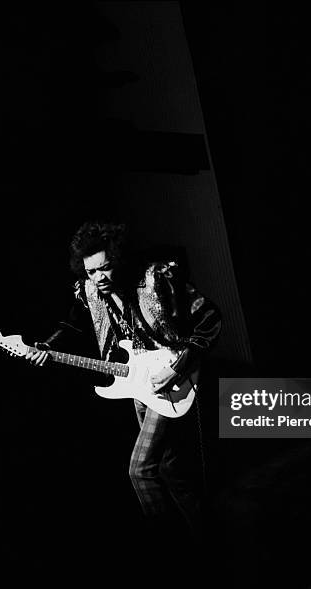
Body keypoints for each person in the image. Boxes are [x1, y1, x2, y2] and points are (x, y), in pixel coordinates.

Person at [25, 221, 221, 542]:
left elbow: (210, 316)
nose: (99, 278)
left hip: (168, 376)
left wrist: (179, 366)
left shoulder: (155, 278)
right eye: (91, 272)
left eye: (105, 268)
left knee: (140, 471)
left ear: (119, 259)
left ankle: (168, 545)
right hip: (138, 384)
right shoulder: (90, 292)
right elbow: (73, 327)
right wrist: (47, 346)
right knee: (172, 472)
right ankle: (207, 540)